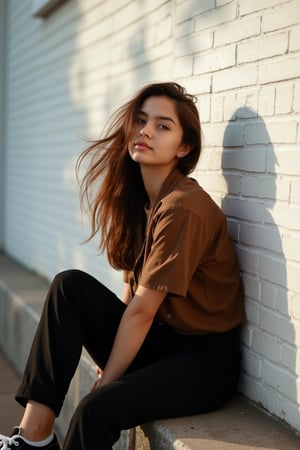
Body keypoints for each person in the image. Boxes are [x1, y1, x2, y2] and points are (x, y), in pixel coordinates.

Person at [0, 82, 244, 450]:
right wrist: (116, 350)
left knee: (94, 410)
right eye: (141, 120)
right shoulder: (142, 200)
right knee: (69, 287)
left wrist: (110, 376)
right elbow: (132, 292)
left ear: (184, 147)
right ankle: (33, 439)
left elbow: (143, 310)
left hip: (203, 363)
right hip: (161, 342)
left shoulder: (183, 207)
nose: (145, 130)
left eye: (163, 126)